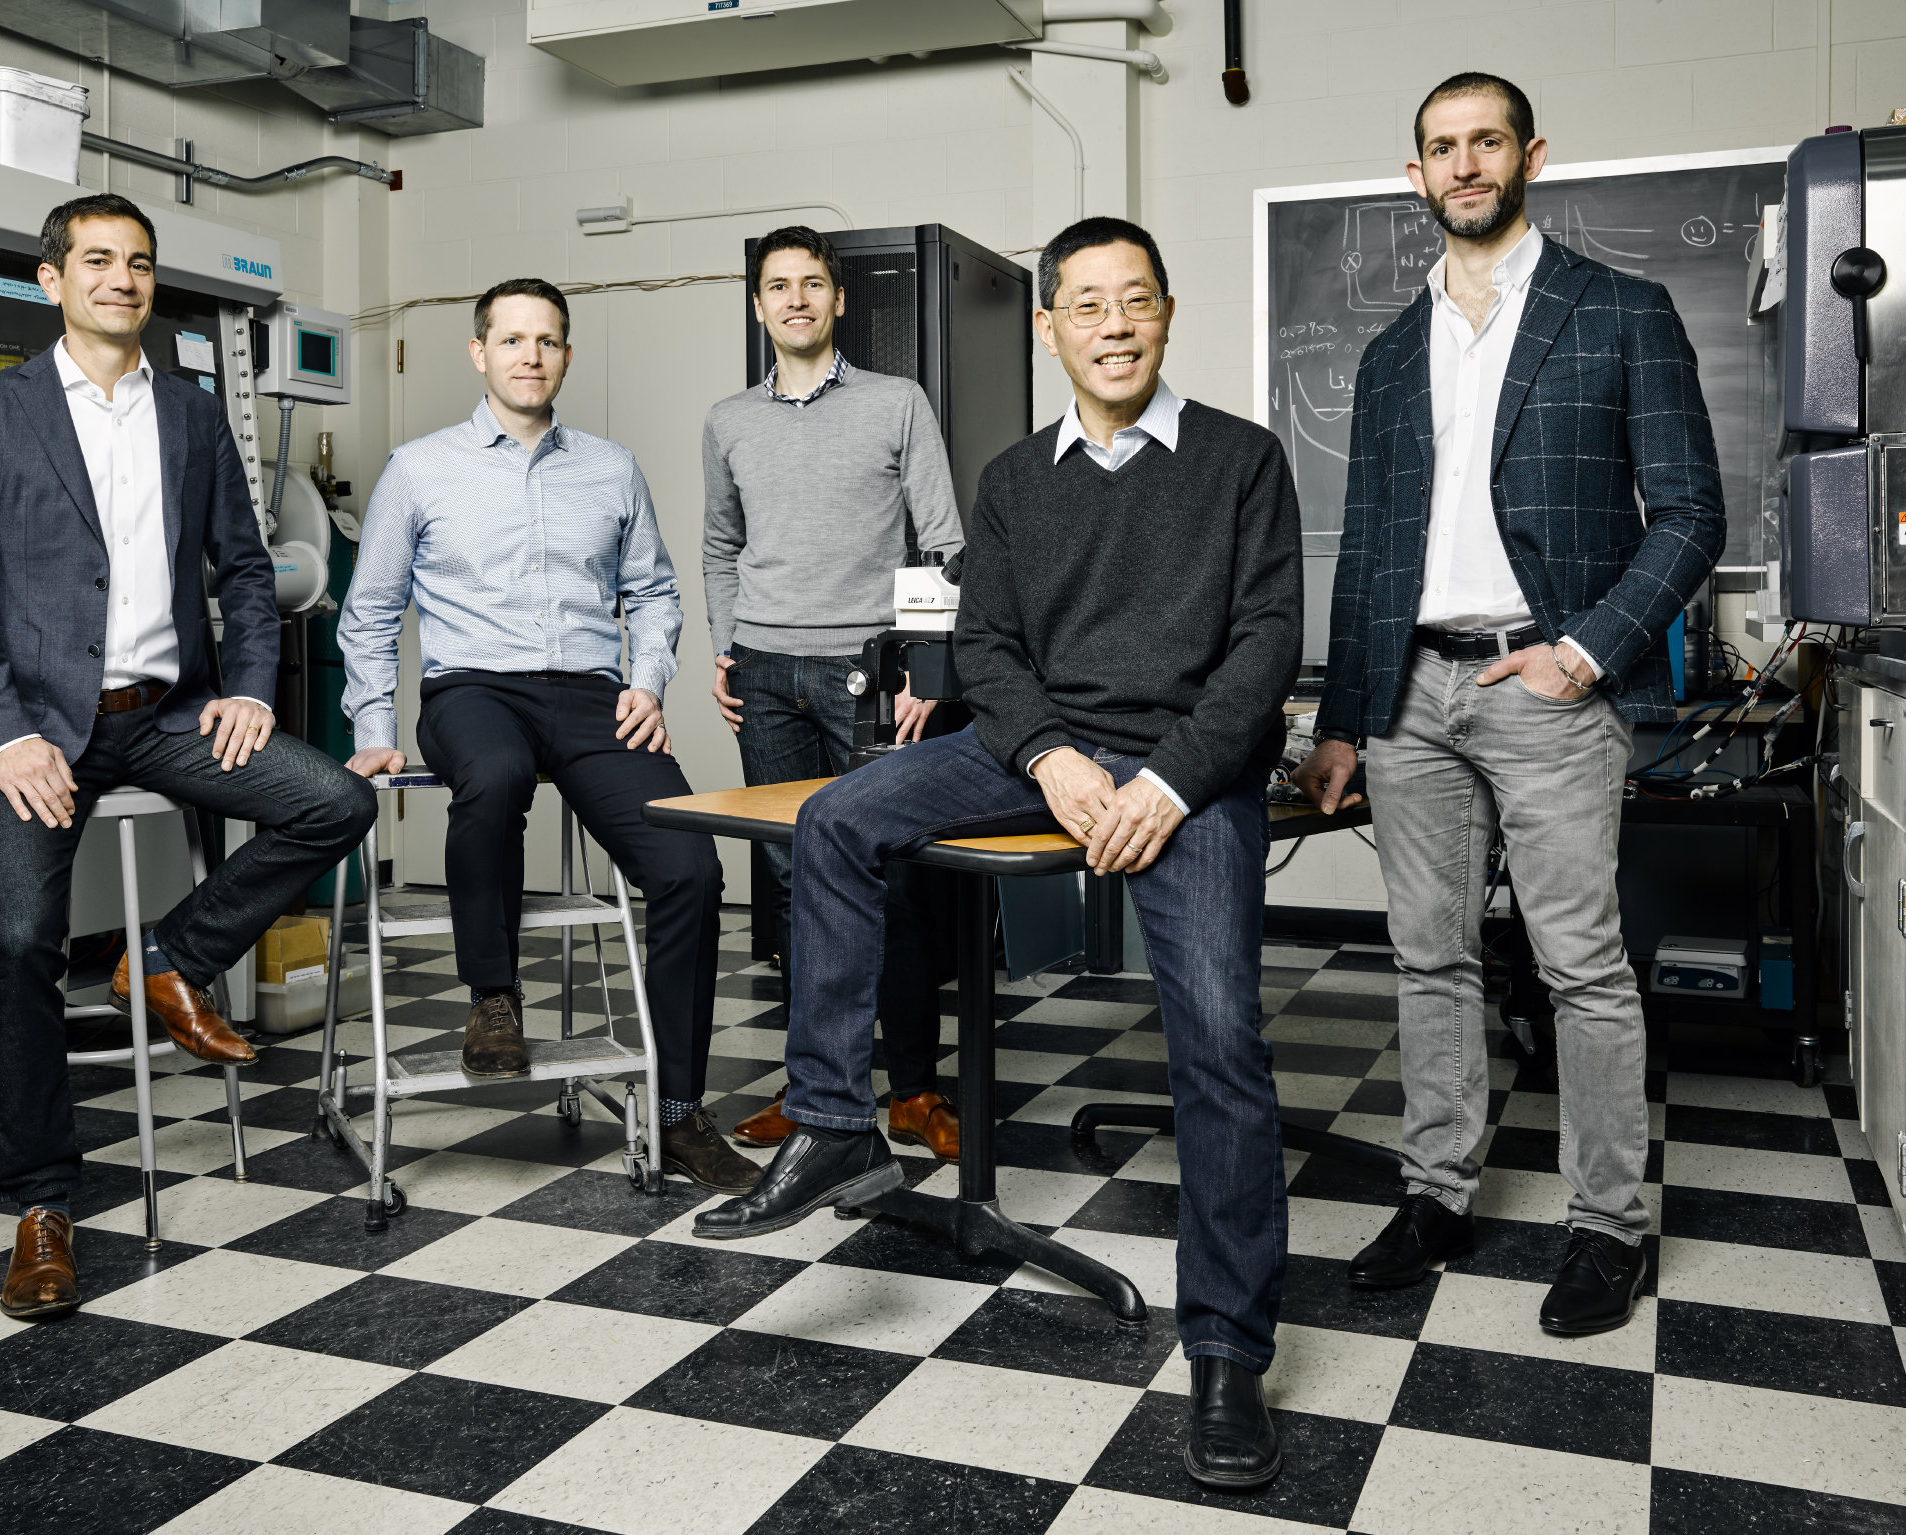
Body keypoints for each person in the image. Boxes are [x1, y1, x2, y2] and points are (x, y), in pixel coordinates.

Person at [694, 217, 1303, 1491]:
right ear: (1050, 328)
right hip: (1045, 750)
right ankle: (832, 1120)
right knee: (835, 817)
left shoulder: (1241, 461)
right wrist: (1053, 762)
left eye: (1135, 300)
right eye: (1086, 305)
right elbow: (988, 652)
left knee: (1221, 1038)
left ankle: (1229, 1349)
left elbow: (1262, 648)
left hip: (1188, 767)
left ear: (1168, 313)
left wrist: (1170, 780)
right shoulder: (1017, 479)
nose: (1114, 324)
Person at [1293, 73, 1725, 1337]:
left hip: (1545, 682)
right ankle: (1435, 1192)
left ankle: (1607, 1225)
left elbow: (1690, 513)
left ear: (1529, 154)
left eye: (1485, 142)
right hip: (1410, 689)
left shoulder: (1619, 311)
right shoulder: (1386, 353)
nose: (1464, 164)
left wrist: (1582, 653)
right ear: (1414, 173)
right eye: (1441, 148)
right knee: (1427, 956)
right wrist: (1339, 715)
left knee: (1577, 961)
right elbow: (1367, 546)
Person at [0, 193, 379, 1320]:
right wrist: (4, 734)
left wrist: (244, 685)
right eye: (96, 261)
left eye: (137, 263)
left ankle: (169, 954)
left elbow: (247, 564)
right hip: (34, 726)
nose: (121, 279)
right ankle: (41, 1202)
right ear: (52, 279)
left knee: (329, 803)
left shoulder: (189, 413)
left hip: (165, 712)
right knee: (25, 935)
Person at [338, 277, 757, 1195]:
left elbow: (652, 591)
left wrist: (648, 683)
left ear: (566, 355)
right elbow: (369, 609)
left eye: (550, 340)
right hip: (472, 690)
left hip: (593, 696)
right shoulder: (419, 467)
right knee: (491, 774)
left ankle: (681, 1112)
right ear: (479, 353)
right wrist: (374, 723)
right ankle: (494, 998)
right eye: (514, 339)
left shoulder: (609, 466)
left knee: (692, 869)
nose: (532, 354)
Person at [701, 225, 965, 1162]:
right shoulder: (730, 420)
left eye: (814, 285)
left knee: (889, 886)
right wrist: (726, 648)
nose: (797, 300)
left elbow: (942, 543)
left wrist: (926, 672)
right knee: (789, 889)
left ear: (840, 300)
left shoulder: (897, 402)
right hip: (766, 675)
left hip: (870, 679)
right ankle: (822, 1096)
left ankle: (916, 1090)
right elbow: (720, 549)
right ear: (761, 304)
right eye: (779, 287)